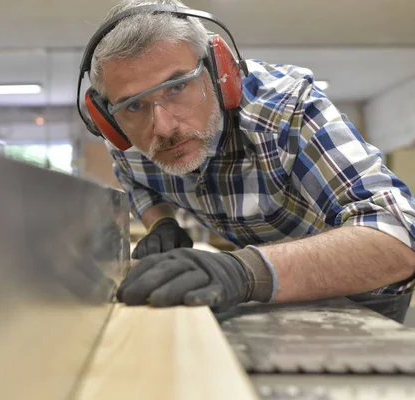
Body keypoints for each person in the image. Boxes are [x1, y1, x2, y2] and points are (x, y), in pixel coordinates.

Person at [77, 0, 415, 322]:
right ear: (108, 118)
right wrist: (161, 223)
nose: (163, 128)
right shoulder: (128, 140)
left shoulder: (288, 111)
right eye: (134, 105)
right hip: (258, 287)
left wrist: (242, 271)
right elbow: (138, 182)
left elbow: (399, 235)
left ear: (219, 72)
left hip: (360, 291)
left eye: (177, 88)